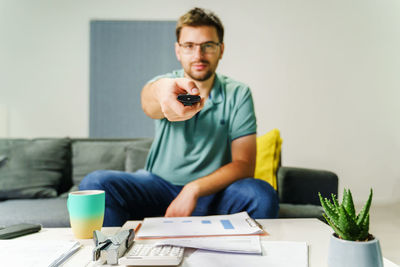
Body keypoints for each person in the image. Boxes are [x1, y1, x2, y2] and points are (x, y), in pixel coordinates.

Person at [79, 7, 279, 226]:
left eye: (208, 46)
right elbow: (149, 102)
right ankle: (116, 254)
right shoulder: (164, 84)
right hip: (158, 187)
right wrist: (162, 91)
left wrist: (193, 189)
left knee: (262, 194)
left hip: (214, 193)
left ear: (221, 50)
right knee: (95, 183)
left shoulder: (238, 93)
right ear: (178, 50)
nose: (198, 55)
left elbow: (244, 164)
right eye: (189, 46)